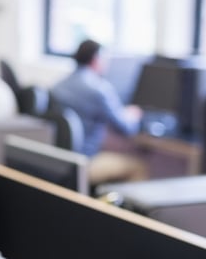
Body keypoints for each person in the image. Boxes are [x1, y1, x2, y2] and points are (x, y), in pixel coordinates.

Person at [51, 39, 146, 185]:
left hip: (61, 159)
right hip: (85, 161)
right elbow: (126, 128)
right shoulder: (99, 90)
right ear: (96, 59)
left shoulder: (58, 86)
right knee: (138, 166)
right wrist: (133, 115)